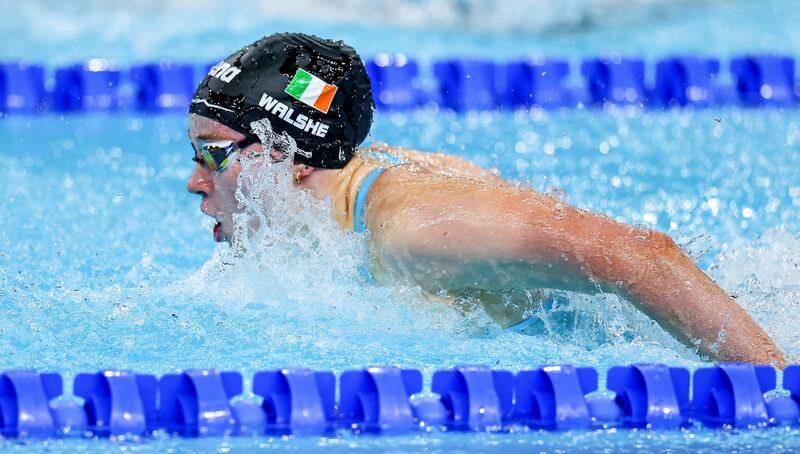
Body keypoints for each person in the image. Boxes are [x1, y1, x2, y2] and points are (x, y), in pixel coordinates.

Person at [186, 32, 786, 366]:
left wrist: (777, 389)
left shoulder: (413, 228)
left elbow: (641, 255)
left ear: (287, 157)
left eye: (212, 153)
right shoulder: (347, 187)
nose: (194, 181)